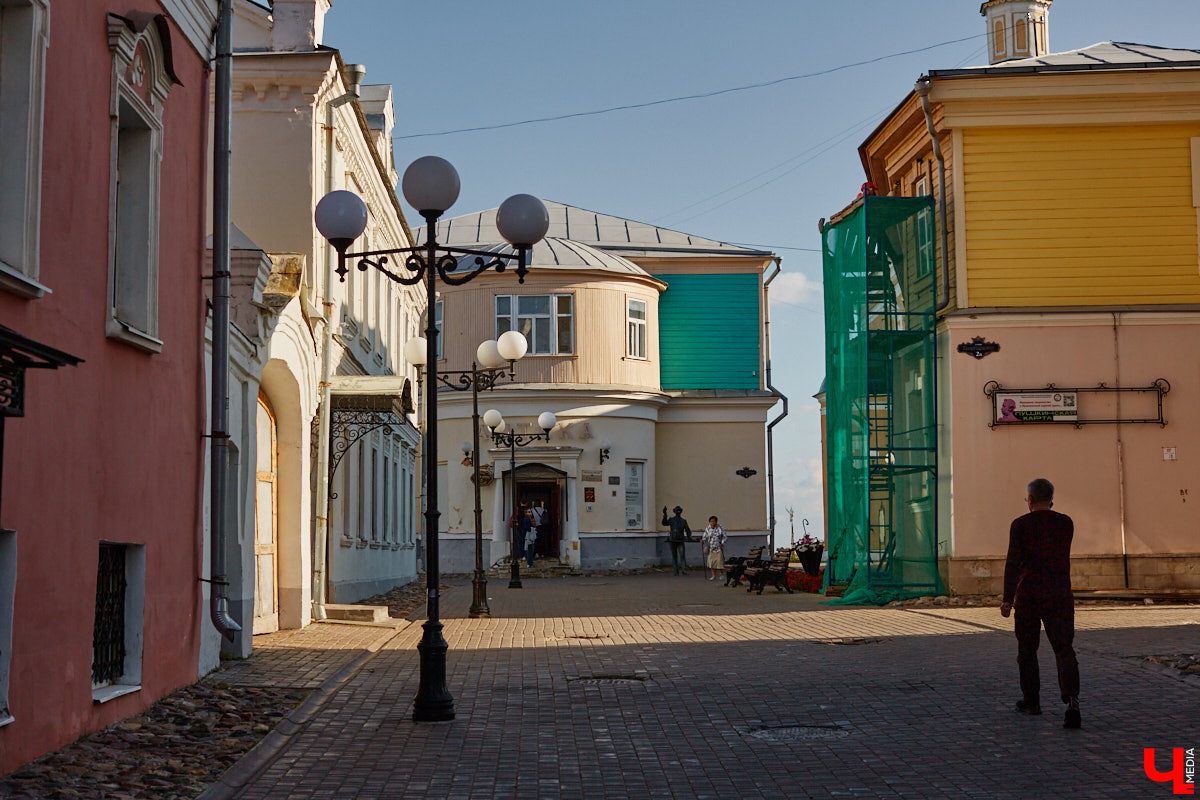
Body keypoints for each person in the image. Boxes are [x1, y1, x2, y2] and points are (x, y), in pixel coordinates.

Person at [1000, 478, 1081, 729]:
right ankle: (1072, 702)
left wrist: (1007, 598)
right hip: (1059, 594)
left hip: (1029, 596)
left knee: (1027, 650)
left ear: (1030, 500)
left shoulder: (1020, 525)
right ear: (1051, 498)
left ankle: (1031, 701)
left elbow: (1013, 563)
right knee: (1064, 649)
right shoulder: (1065, 523)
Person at [661, 505, 692, 576]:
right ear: (674, 511)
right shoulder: (672, 520)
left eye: (679, 510)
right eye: (677, 510)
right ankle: (676, 571)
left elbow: (687, 530)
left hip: (680, 540)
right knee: (674, 555)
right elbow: (664, 523)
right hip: (673, 540)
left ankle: (684, 570)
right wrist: (665, 514)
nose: (678, 512)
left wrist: (689, 537)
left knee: (682, 555)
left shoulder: (683, 521)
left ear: (681, 511)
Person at [701, 516, 727, 581]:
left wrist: (722, 543)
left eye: (714, 521)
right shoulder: (708, 528)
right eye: (711, 521)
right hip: (711, 548)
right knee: (711, 561)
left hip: (719, 547)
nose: (712, 522)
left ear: (716, 522)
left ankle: (721, 574)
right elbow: (704, 536)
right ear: (709, 522)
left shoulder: (720, 527)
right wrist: (702, 541)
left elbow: (725, 536)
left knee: (720, 561)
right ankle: (713, 575)